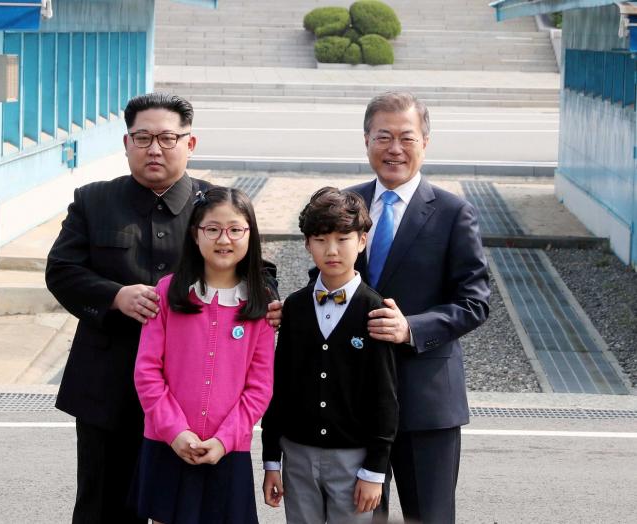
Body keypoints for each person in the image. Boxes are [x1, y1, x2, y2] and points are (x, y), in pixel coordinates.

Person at [45, 93, 280, 523]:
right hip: (107, 388)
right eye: (144, 137)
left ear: (190, 144)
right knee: (103, 507)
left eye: (168, 138)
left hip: (193, 401)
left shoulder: (215, 205)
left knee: (187, 511)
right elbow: (61, 271)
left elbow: (259, 272)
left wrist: (268, 305)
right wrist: (115, 296)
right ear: (127, 142)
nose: (155, 148)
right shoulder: (94, 200)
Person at [348, 92, 491, 524]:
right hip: (352, 397)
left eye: (406, 137)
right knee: (356, 516)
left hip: (425, 399)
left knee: (427, 517)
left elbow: (475, 301)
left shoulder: (453, 212)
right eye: (383, 137)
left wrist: (410, 327)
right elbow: (324, 283)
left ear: (425, 142)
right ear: (366, 141)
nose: (394, 148)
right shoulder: (345, 204)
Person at [131, 186, 275, 524]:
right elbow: (147, 371)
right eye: (212, 229)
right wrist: (176, 432)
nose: (224, 239)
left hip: (227, 451)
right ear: (195, 234)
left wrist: (224, 441)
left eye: (235, 229)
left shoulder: (260, 302)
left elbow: (259, 388)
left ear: (249, 235)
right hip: (168, 444)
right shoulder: (168, 292)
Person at [261, 187, 398, 524]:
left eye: (343, 238)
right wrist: (271, 461)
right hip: (297, 452)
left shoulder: (375, 309)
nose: (332, 250)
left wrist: (375, 470)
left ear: (362, 241)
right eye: (320, 239)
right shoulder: (293, 306)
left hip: (354, 457)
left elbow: (385, 395)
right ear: (307, 244)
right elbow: (281, 385)